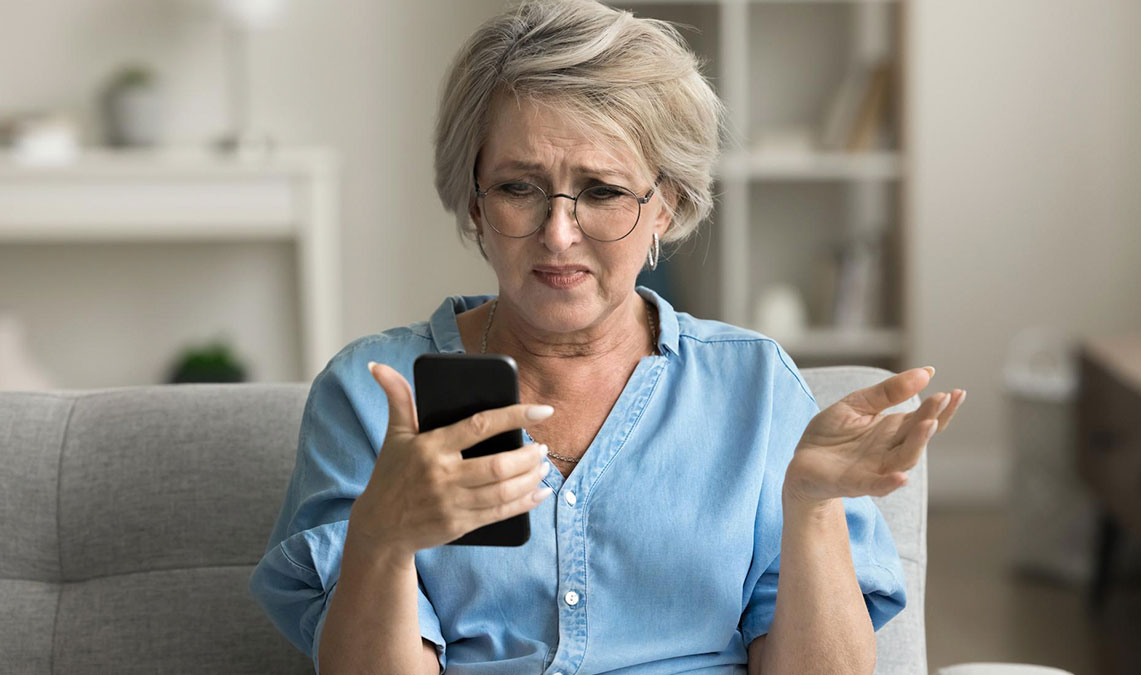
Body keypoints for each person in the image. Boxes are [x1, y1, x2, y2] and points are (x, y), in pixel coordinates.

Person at [249, 1, 966, 673]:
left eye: (603, 191)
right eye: (519, 187)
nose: (559, 233)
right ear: (473, 201)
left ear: (667, 205)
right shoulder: (372, 395)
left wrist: (811, 508)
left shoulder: (755, 388)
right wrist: (381, 540)